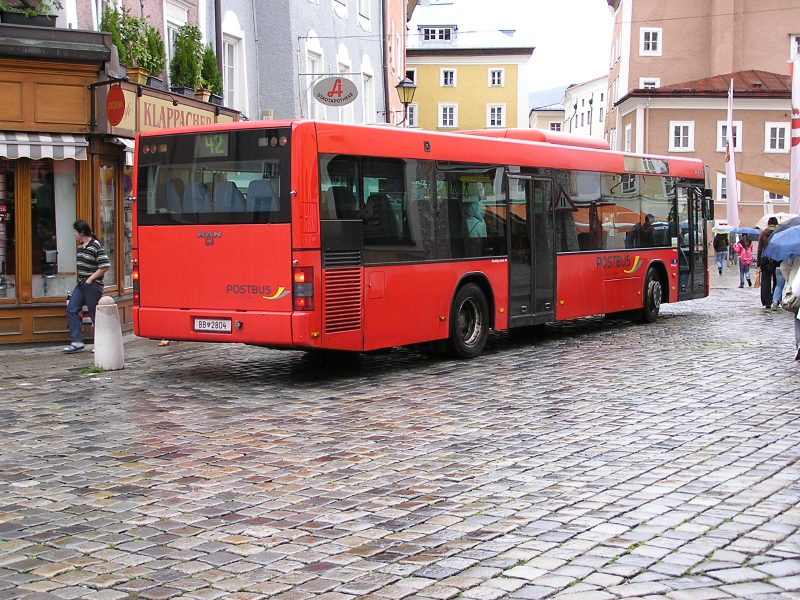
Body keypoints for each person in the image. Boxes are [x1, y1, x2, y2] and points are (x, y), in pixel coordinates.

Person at [63, 220, 109, 353]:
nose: (74, 234)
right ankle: (77, 341)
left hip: (93, 285)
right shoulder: (81, 246)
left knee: (95, 315)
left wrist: (90, 279)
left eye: (75, 232)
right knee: (72, 309)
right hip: (81, 285)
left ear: (82, 232)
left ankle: (101, 343)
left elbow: (105, 265)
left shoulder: (96, 246)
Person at [779, 257, 800, 360]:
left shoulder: (796, 256)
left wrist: (790, 281)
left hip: (797, 294)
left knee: (798, 318)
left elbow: (783, 267)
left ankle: (799, 343)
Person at [757, 217, 779, 308]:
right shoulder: (778, 233)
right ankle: (775, 299)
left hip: (765, 259)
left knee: (765, 281)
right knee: (777, 281)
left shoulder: (763, 233)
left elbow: (759, 249)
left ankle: (767, 302)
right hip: (776, 258)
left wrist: (758, 263)